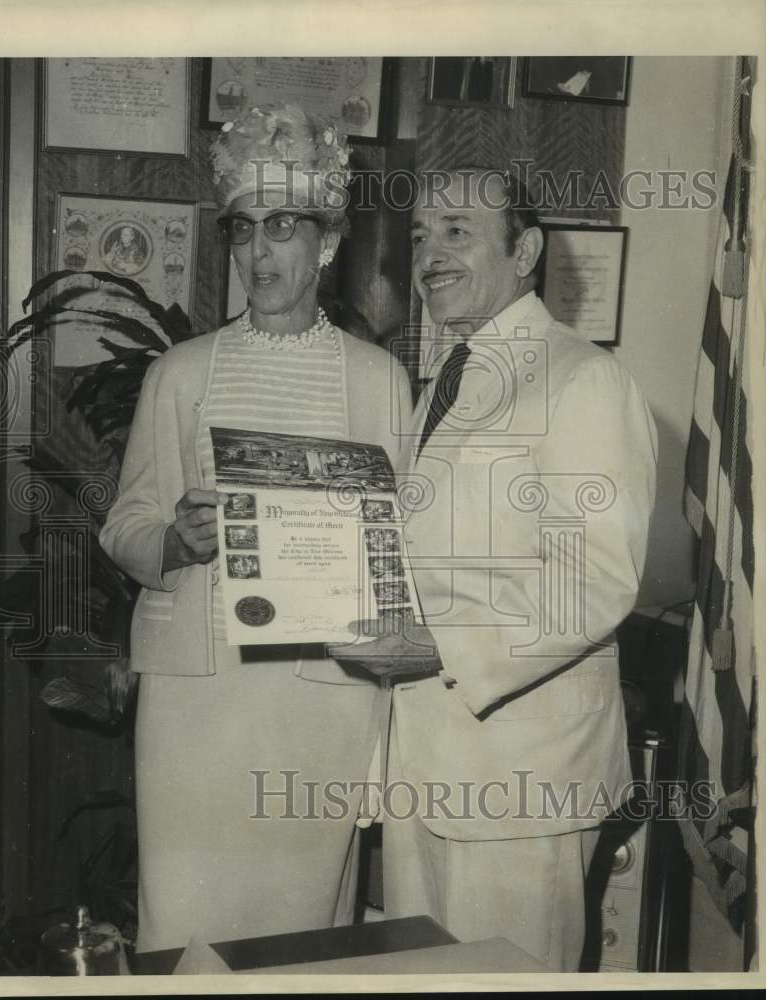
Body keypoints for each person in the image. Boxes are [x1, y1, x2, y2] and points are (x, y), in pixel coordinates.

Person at [98, 103, 412, 953]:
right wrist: (172, 542)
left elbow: (397, 559)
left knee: (301, 934)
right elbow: (124, 521)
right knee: (188, 926)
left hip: (321, 701)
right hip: (197, 700)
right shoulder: (180, 372)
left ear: (329, 242)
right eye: (244, 230)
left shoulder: (380, 382)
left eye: (283, 226)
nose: (259, 252)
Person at [332, 166, 658, 971]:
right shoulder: (446, 378)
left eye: (455, 230)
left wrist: (437, 643)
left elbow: (591, 579)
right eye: (417, 235)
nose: (428, 254)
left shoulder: (583, 378)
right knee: (421, 977)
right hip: (425, 754)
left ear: (526, 250)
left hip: (520, 778)